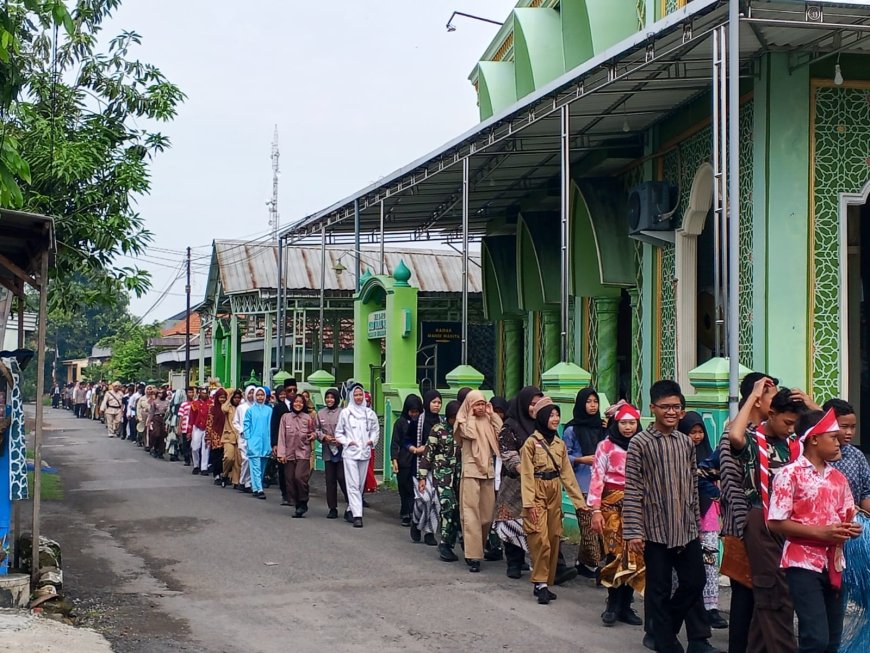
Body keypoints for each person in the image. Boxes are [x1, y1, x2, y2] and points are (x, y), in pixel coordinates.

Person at [624, 380, 711, 653]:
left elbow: (692, 484)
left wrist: (696, 523)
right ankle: (665, 643)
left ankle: (664, 629)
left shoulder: (685, 442)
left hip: (685, 528)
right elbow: (632, 488)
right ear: (653, 408)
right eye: (665, 407)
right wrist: (633, 531)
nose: (671, 412)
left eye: (676, 407)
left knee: (695, 581)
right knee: (658, 588)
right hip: (655, 528)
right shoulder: (640, 443)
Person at [726, 378, 811, 653]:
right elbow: (734, 436)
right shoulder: (754, 440)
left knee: (779, 592)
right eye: (786, 422)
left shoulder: (796, 444)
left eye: (795, 424)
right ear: (771, 414)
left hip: (792, 522)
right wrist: (753, 396)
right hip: (761, 519)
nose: (791, 428)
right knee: (774, 591)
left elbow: (827, 431)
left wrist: (809, 403)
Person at [769, 408, 862, 653]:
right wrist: (821, 533)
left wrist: (852, 529)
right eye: (833, 437)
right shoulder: (789, 474)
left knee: (832, 642)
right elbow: (775, 522)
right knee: (815, 639)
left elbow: (848, 516)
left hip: (835, 563)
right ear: (814, 439)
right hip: (802, 563)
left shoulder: (838, 478)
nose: (839, 442)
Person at [520, 402, 588, 604]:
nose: (556, 419)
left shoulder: (559, 444)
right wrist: (529, 504)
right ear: (542, 417)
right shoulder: (531, 443)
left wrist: (580, 503)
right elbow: (526, 475)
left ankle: (545, 582)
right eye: (551, 415)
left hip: (554, 491)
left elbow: (567, 475)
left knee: (553, 537)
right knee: (539, 538)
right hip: (537, 490)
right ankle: (540, 583)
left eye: (557, 415)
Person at [589, 403, 644, 626]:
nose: (628, 427)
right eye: (623, 423)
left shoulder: (643, 445)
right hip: (610, 507)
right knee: (615, 554)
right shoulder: (605, 446)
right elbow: (597, 477)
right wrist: (595, 510)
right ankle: (612, 605)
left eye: (632, 423)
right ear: (616, 423)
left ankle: (626, 606)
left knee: (635, 553)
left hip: (637, 506)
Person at [679, 411, 727, 630]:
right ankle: (687, 606)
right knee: (687, 566)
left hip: (708, 516)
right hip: (685, 516)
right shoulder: (679, 455)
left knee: (709, 562)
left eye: (700, 432)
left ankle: (711, 608)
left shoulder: (710, 454)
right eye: (692, 432)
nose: (697, 436)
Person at [495, 385, 543, 579]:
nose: (535, 408)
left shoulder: (542, 426)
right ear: (523, 404)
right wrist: (523, 469)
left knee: (535, 522)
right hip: (514, 484)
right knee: (511, 521)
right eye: (532, 404)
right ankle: (514, 562)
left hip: (539, 484)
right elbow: (508, 454)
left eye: (538, 404)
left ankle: (546, 564)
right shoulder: (509, 427)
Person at [455, 389, 502, 573]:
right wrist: (472, 415)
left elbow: (501, 434)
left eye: (483, 403)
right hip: (471, 472)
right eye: (477, 404)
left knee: (487, 516)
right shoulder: (463, 420)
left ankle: (475, 548)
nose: (481, 407)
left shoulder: (488, 420)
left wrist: (492, 415)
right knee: (471, 515)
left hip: (487, 472)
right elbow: (470, 434)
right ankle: (473, 556)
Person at [562, 387, 605, 577]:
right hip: (581, 484)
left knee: (600, 527)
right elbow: (563, 456)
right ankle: (597, 566)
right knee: (589, 527)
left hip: (601, 485)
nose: (593, 405)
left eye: (595, 402)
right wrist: (581, 459)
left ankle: (582, 563)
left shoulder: (602, 427)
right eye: (588, 402)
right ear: (581, 404)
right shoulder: (571, 429)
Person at [420, 399, 462, 562]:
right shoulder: (438, 429)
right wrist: (422, 477)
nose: (455, 420)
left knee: (458, 509)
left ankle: (453, 541)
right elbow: (428, 453)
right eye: (453, 417)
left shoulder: (464, 430)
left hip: (460, 476)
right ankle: (444, 544)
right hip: (442, 476)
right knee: (448, 506)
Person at [334, 383, 379, 527]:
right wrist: (348, 442)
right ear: (351, 396)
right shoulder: (346, 413)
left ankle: (350, 509)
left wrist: (371, 441)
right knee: (352, 483)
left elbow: (375, 430)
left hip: (364, 453)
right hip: (350, 453)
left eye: (360, 395)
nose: (358, 397)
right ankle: (357, 516)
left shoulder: (369, 413)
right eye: (356, 395)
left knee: (360, 484)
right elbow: (338, 433)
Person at [825, 398, 870, 512]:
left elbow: (866, 492)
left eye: (853, 427)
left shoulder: (857, 456)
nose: (849, 432)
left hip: (853, 519)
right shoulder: (814, 455)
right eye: (844, 426)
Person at [411, 390, 442, 546]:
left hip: (437, 467)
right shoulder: (418, 421)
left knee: (435, 501)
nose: (437, 405)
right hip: (419, 465)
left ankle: (430, 532)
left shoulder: (442, 423)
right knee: (423, 499)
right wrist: (416, 449)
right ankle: (416, 521)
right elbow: (406, 440)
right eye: (434, 402)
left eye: (439, 403)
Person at [278, 393, 316, 517]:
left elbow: (314, 432)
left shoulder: (308, 418)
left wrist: (312, 435)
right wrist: (281, 453)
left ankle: (303, 501)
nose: (298, 404)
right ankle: (297, 504)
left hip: (303, 452)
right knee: (290, 480)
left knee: (299, 477)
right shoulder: (285, 417)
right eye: (296, 402)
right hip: (289, 453)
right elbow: (281, 436)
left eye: (300, 402)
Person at [390, 394, 423, 526]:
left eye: (416, 411)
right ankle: (405, 512)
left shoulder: (422, 423)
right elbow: (395, 442)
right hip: (403, 460)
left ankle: (413, 513)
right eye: (412, 411)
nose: (414, 414)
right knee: (403, 486)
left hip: (417, 459)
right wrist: (394, 460)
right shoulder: (400, 422)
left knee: (414, 488)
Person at [317, 388, 348, 518]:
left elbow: (348, 429)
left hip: (342, 450)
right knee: (330, 480)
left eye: (332, 397)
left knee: (342, 477)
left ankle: (351, 504)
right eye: (327, 397)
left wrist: (341, 440)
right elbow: (316, 430)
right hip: (328, 450)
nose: (329, 400)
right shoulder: (320, 413)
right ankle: (332, 508)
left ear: (336, 399)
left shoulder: (343, 412)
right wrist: (324, 437)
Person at [243, 387, 272, 499]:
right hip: (253, 442)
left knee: (262, 466)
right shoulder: (250, 410)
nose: (260, 397)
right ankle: (259, 489)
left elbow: (271, 426)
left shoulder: (269, 410)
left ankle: (255, 487)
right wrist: (248, 438)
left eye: (262, 395)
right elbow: (246, 425)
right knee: (255, 466)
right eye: (258, 395)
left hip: (266, 442)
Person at [233, 385, 256, 492]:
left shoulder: (257, 407)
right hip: (243, 437)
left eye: (253, 392)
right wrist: (242, 430)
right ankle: (243, 481)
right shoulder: (241, 408)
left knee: (252, 460)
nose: (251, 395)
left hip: (254, 437)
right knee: (245, 459)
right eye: (249, 393)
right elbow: (235, 422)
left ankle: (247, 482)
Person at [270, 386, 291, 504]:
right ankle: (285, 494)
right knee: (282, 469)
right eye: (281, 394)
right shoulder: (277, 408)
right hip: (280, 441)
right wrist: (274, 444)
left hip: (293, 442)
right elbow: (273, 426)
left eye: (285, 393)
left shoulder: (294, 405)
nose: (283, 396)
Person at [219, 389, 242, 489]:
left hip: (240, 437)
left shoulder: (242, 408)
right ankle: (224, 474)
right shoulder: (229, 408)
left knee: (238, 461)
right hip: (229, 437)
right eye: (235, 398)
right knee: (229, 457)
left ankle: (236, 481)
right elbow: (223, 408)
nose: (237, 399)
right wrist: (230, 396)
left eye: (238, 398)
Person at [205, 388, 228, 484]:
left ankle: (224, 474)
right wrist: (208, 437)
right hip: (215, 434)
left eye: (224, 397)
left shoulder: (227, 408)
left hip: (226, 433)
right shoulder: (212, 408)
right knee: (217, 455)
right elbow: (209, 422)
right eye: (220, 397)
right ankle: (217, 475)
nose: (222, 399)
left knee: (225, 455)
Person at [190, 387, 210, 475]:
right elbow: (191, 417)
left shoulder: (211, 403)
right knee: (195, 447)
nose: (204, 394)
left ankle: (204, 468)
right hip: (197, 427)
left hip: (207, 428)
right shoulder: (195, 403)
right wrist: (189, 429)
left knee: (206, 448)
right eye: (203, 393)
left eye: (206, 393)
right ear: (199, 393)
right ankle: (196, 465)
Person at [147, 388, 170, 459]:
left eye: (162, 393)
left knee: (162, 435)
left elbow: (169, 412)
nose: (160, 394)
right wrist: (149, 421)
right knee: (156, 434)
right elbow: (151, 412)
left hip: (164, 418)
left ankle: (160, 451)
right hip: (156, 418)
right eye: (159, 393)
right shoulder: (154, 402)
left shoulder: (167, 402)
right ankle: (154, 448)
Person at [177, 387, 195, 466]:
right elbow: (181, 417)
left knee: (193, 444)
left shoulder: (195, 403)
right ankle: (187, 459)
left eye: (192, 392)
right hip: (185, 427)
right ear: (186, 394)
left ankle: (193, 459)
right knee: (186, 444)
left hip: (194, 427)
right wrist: (179, 427)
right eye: (189, 392)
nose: (191, 394)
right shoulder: (183, 404)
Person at [136, 385, 154, 450]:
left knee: (151, 430)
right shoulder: (141, 399)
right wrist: (139, 417)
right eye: (148, 389)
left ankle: (151, 444)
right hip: (144, 415)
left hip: (152, 415)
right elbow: (138, 408)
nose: (149, 390)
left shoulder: (154, 398)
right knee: (145, 430)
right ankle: (146, 444)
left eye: (150, 389)